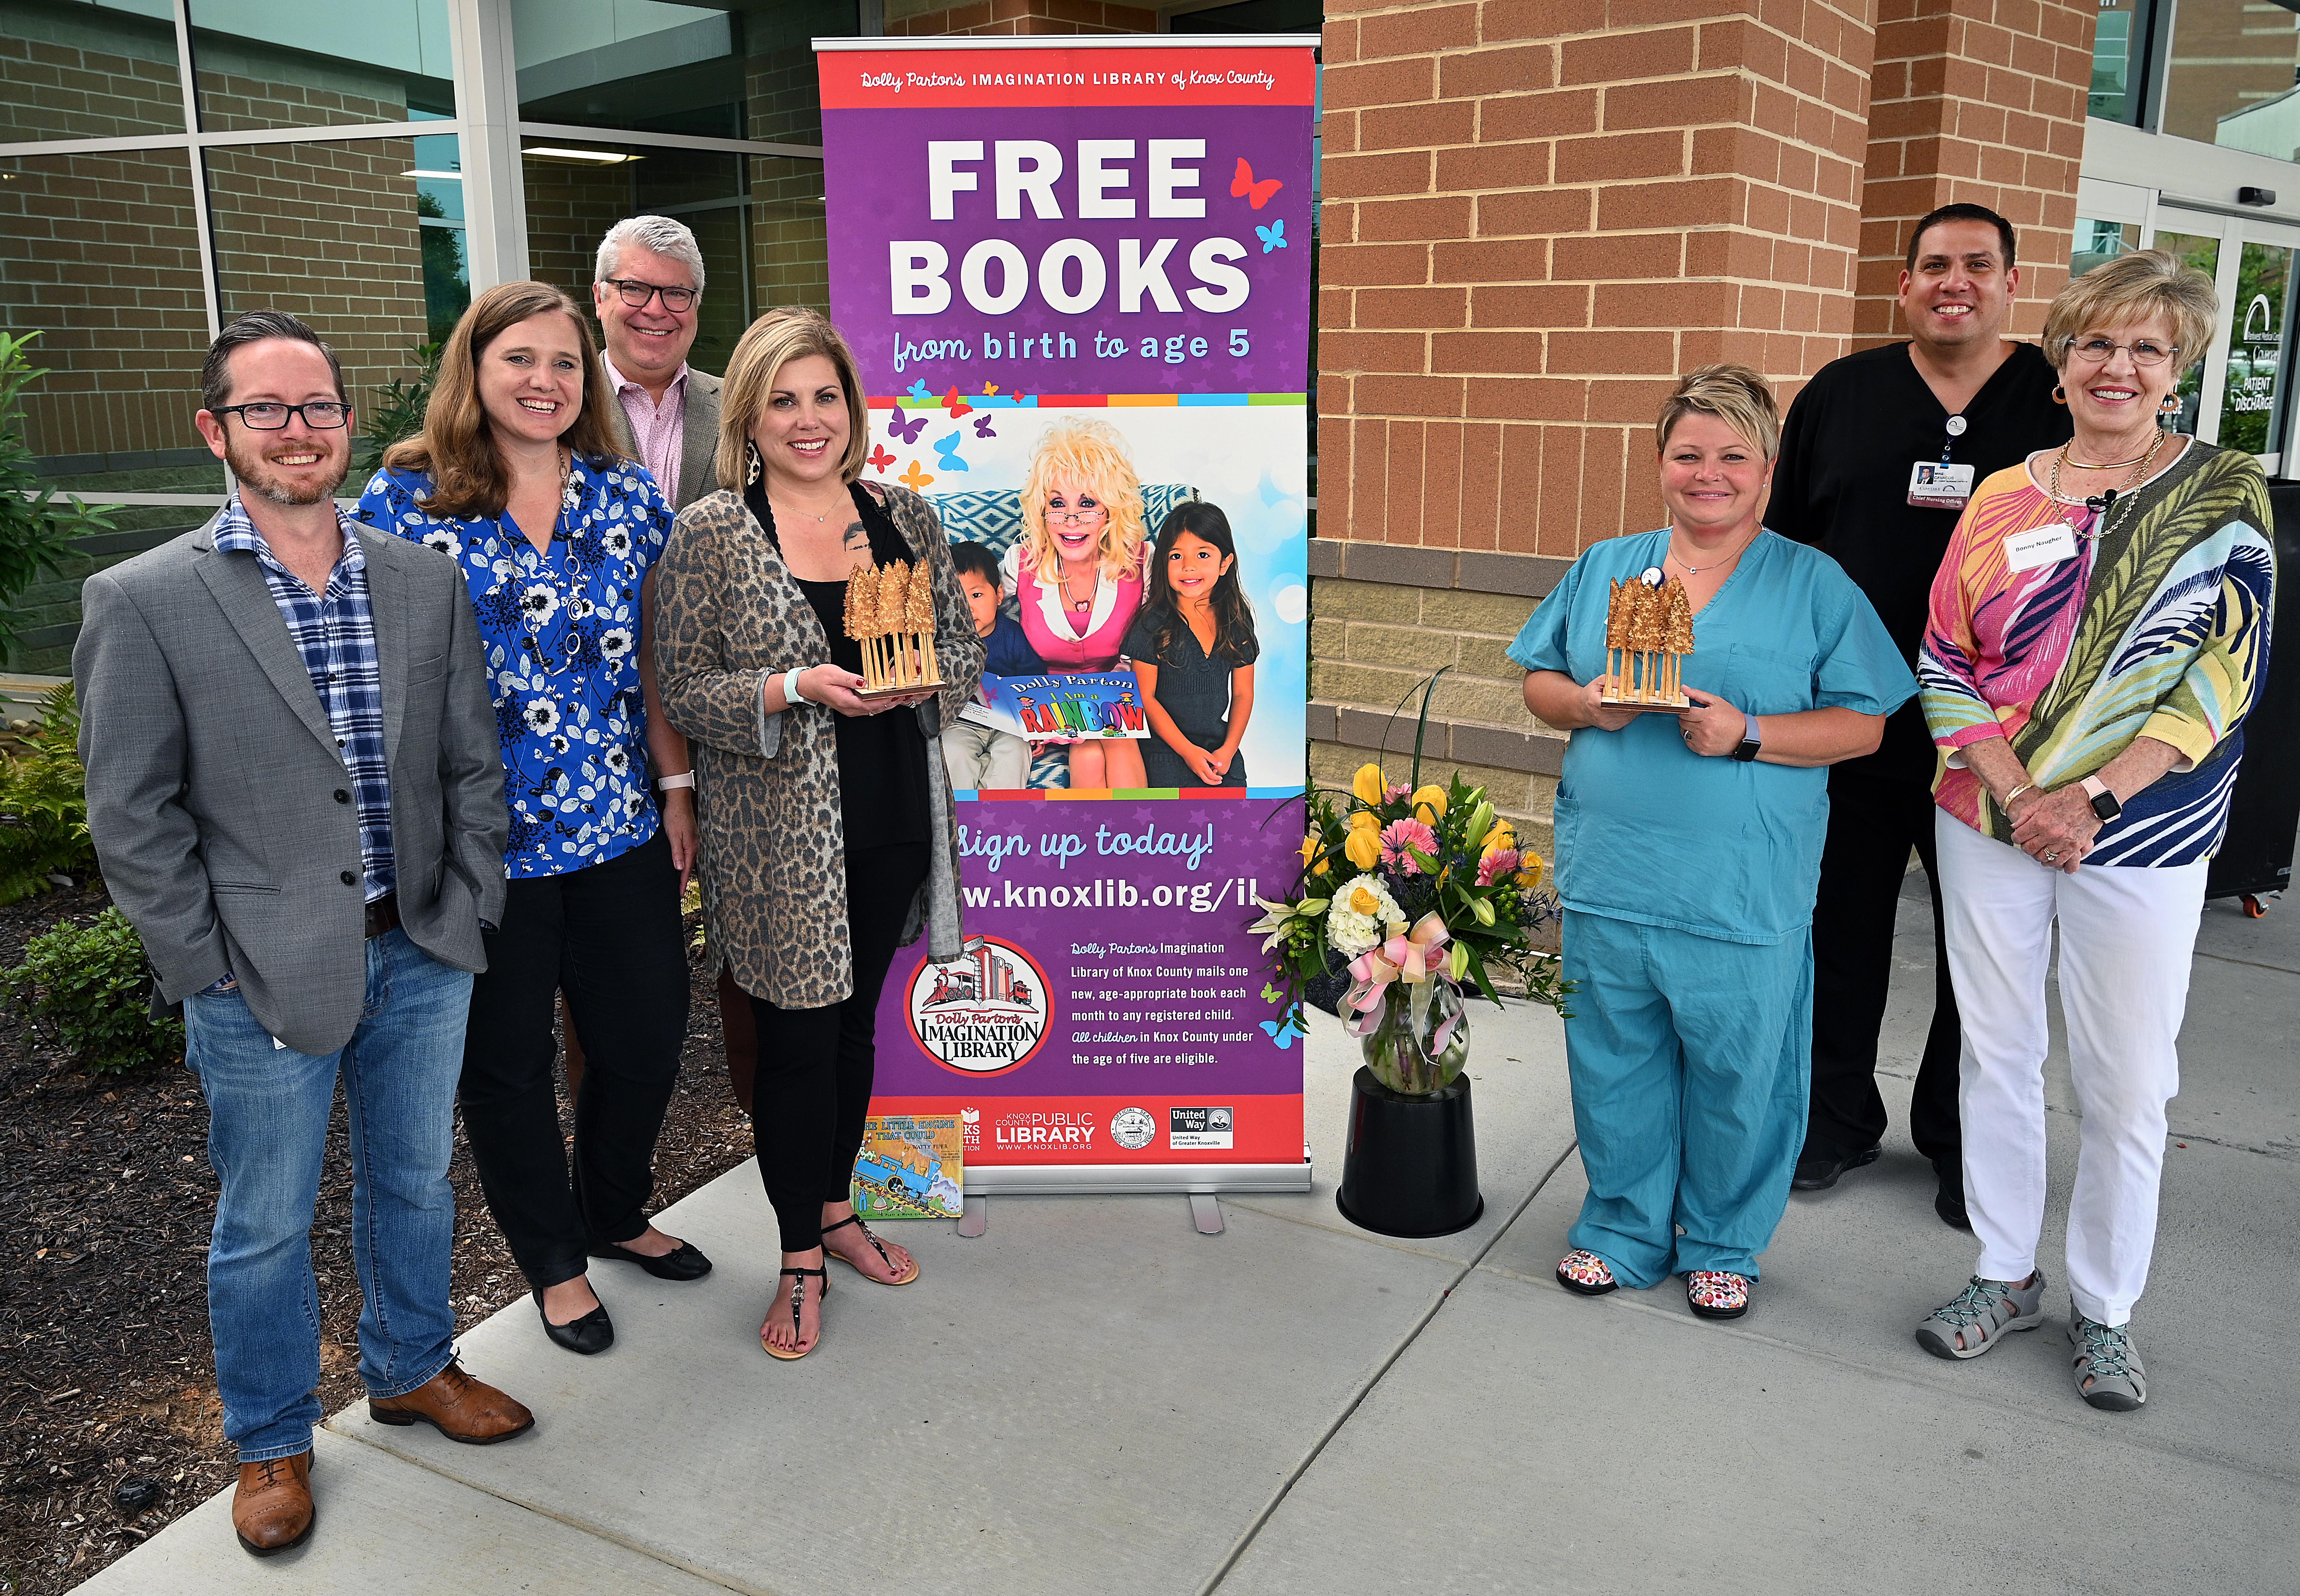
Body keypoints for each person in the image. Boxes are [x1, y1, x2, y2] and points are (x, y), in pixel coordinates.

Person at [76, 311, 532, 1558]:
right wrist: (202, 966)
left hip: (421, 943)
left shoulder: (418, 577)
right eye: (266, 409)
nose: (297, 430)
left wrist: (466, 900)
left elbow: (468, 761)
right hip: (255, 973)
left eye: (317, 406)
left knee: (412, 1181)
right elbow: (132, 810)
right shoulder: (145, 599)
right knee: (265, 1219)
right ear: (215, 430)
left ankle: (411, 1367)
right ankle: (272, 1441)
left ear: (345, 421)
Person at [1912, 251, 2272, 1412]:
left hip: (2148, 831)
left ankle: (2106, 1308)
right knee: (1998, 1052)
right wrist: (2021, 796)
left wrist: (2096, 797)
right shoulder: (2002, 493)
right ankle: (2001, 1270)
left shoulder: (2223, 491)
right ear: (2059, 366)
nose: (2119, 367)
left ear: (2179, 372)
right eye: (2097, 345)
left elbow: (2225, 671)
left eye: (2147, 349)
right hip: (1988, 815)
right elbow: (1943, 657)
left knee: (2128, 1083)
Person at [1509, 365, 1915, 1321]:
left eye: (1733, 454)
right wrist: (1586, 704)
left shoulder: (1813, 583)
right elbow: (1540, 682)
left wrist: (1755, 734)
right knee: (1617, 1061)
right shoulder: (1611, 566)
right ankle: (1620, 1228)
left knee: (1741, 1070)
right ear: (1659, 463)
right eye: (1689, 453)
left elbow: (1867, 724)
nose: (1710, 473)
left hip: (1740, 885)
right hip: (1614, 872)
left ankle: (1723, 1240)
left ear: (1767, 468)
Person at [354, 281, 706, 1359]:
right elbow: (373, 679)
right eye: (520, 360)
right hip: (481, 848)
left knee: (644, 1043)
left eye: (563, 361)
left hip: (618, 829)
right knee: (505, 1070)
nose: (544, 381)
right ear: (477, 369)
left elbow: (654, 664)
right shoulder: (403, 502)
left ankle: (612, 1211)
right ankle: (553, 1263)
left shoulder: (626, 496)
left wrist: (678, 788)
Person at [652, 306, 984, 1359]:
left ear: (853, 406)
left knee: (852, 1030)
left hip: (889, 814)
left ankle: (838, 1212)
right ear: (748, 414)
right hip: (777, 837)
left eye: (825, 397)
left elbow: (966, 653)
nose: (808, 420)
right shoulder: (713, 531)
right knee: (795, 1043)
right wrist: (796, 685)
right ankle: (798, 1253)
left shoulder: (903, 519)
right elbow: (682, 686)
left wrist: (932, 676)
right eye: (783, 400)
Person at [1770, 203, 2073, 1226]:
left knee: (1983, 952)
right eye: (1936, 265)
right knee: (1838, 930)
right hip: (1852, 724)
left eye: (1978, 265)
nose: (1956, 281)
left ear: (2009, 285)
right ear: (1904, 286)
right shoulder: (1842, 396)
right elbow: (1785, 553)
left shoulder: (2060, 399)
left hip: (2000, 745)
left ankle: (1957, 1140)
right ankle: (1832, 1121)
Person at [999, 417, 1149, 790]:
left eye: (1086, 503)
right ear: (1041, 510)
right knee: (1086, 753)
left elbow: (1162, 635)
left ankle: (1142, 842)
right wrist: (1014, 716)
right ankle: (1094, 844)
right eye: (1057, 503)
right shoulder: (1021, 562)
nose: (1070, 519)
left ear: (1111, 509)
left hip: (1120, 697)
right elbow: (982, 628)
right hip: (1045, 705)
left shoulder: (1142, 562)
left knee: (1114, 742)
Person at [1123, 501, 1260, 789]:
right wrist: (1187, 751)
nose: (1188, 567)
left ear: (1225, 563)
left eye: (1202, 554)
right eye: (1176, 556)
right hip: (1164, 751)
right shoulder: (1153, 623)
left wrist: (1228, 749)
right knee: (1177, 829)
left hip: (1218, 747)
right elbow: (1145, 698)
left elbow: (1243, 694)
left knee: (1232, 826)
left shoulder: (1235, 618)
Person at [594, 215, 723, 511]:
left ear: (697, 305)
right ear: (600, 298)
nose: (655, 310)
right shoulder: (562, 405)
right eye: (635, 288)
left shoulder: (743, 407)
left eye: (676, 293)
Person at [939, 538, 1043, 792]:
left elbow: (1035, 679)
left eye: (976, 595)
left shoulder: (1011, 634)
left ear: (998, 596)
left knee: (1016, 753)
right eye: (955, 598)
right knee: (952, 754)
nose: (967, 607)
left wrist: (1036, 726)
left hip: (1009, 723)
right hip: (960, 722)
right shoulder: (941, 642)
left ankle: (998, 817)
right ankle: (960, 821)